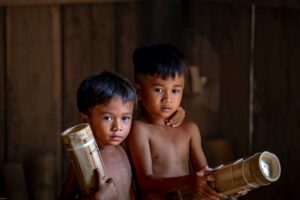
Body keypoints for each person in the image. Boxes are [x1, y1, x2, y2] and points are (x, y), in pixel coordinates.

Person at [59, 71, 185, 200]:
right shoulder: (84, 159)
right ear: (86, 120)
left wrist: (177, 112)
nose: (118, 127)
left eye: (125, 118)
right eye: (107, 118)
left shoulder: (125, 146)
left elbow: (151, 119)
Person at [127, 44, 226, 200]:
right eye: (159, 89)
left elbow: (205, 174)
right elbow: (146, 183)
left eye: (175, 90)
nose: (168, 98)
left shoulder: (190, 130)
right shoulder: (140, 130)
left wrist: (230, 186)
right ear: (139, 92)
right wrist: (188, 181)